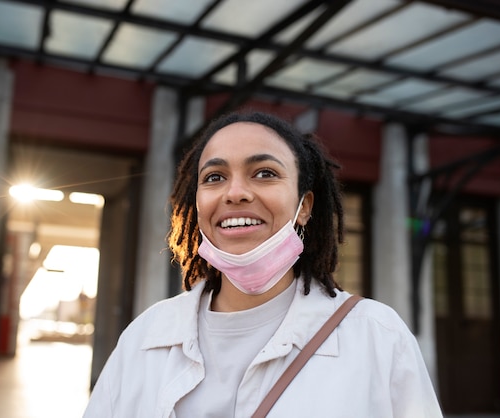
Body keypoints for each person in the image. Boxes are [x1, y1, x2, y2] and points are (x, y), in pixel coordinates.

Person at [83, 111, 443, 417]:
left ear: (304, 206)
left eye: (265, 173)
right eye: (214, 177)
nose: (235, 192)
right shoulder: (144, 337)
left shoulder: (377, 336)